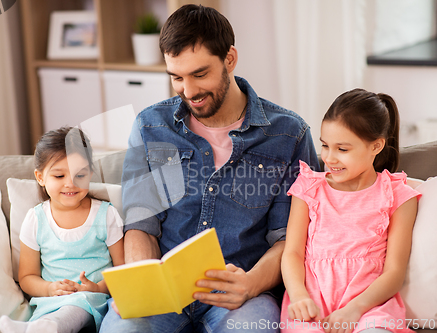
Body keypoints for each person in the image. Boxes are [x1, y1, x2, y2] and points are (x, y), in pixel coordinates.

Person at [101, 4, 319, 333]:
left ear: (230, 58)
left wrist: (249, 285)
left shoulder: (288, 135)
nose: (188, 91)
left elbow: (289, 241)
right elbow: (141, 225)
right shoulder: (151, 126)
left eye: (200, 74)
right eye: (177, 77)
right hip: (165, 293)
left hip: (243, 294)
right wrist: (143, 286)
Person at [280, 88, 420, 333]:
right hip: (312, 301)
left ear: (376, 146)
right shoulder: (309, 188)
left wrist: (356, 308)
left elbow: (395, 271)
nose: (329, 158)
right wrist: (299, 295)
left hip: (370, 307)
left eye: (342, 149)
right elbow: (292, 253)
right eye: (325, 145)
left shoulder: (398, 195)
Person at [0, 127, 124, 333]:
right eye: (59, 176)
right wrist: (49, 288)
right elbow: (27, 277)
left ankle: (45, 329)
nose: (70, 183)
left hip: (95, 301)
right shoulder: (35, 219)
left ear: (90, 174)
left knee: (77, 305)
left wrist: (98, 287)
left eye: (80, 175)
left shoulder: (106, 215)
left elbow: (122, 269)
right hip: (51, 303)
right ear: (40, 177)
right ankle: (40, 327)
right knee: (61, 312)